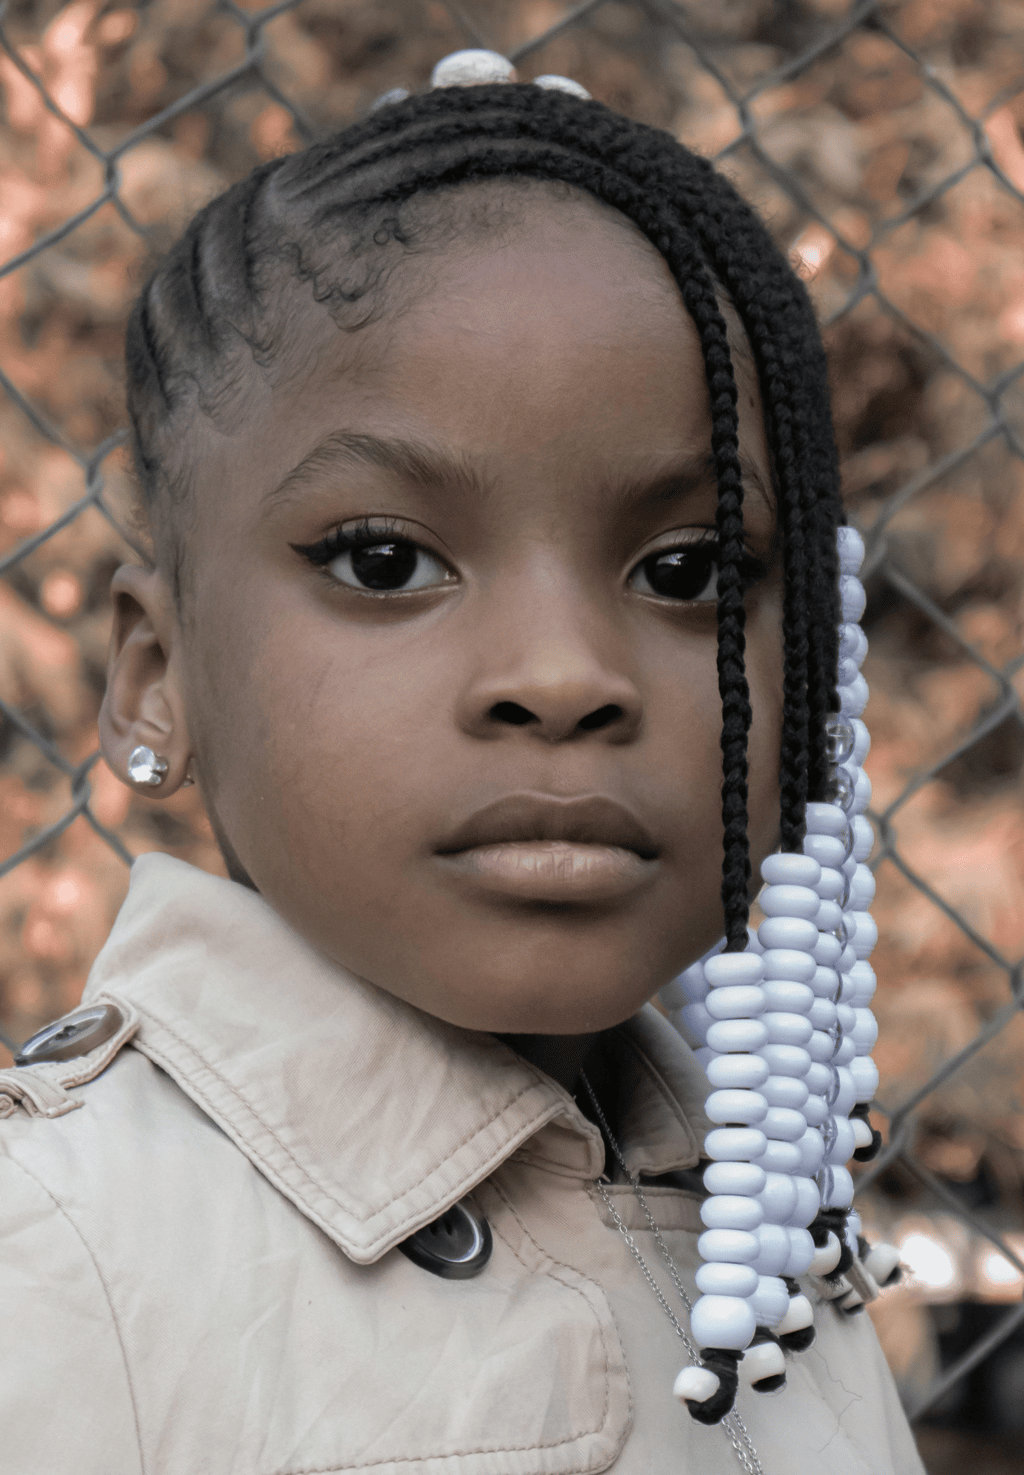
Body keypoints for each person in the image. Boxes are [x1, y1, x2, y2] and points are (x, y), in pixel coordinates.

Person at [0, 53, 924, 1475]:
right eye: (387, 561)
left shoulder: (786, 1255)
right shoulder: (52, 1262)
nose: (564, 676)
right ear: (156, 674)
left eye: (686, 571)